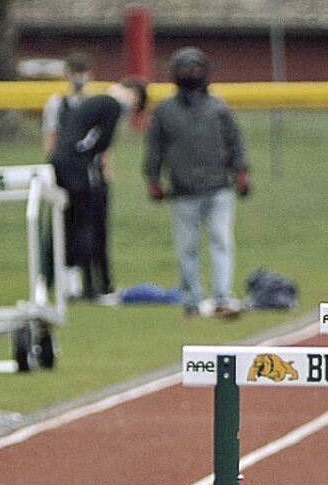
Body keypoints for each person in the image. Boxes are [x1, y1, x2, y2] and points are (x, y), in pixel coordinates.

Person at [143, 47, 251, 319]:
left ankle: (222, 298)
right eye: (185, 70)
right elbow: (154, 148)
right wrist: (153, 179)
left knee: (221, 241)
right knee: (187, 248)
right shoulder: (164, 111)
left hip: (218, 187)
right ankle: (191, 301)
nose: (191, 74)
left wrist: (241, 172)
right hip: (182, 191)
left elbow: (234, 142)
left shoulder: (218, 107)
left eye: (196, 69)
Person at [50, 76, 146, 299]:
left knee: (69, 224)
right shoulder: (111, 105)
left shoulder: (97, 102)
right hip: (77, 167)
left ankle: (71, 283)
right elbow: (100, 142)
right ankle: (89, 285)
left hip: (63, 163)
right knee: (84, 226)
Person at [42, 52, 95, 297]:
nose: (78, 78)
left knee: (82, 227)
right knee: (58, 224)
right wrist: (52, 166)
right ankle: (53, 276)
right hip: (63, 170)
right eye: (74, 72)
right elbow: (51, 137)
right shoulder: (57, 103)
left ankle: (79, 278)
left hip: (85, 172)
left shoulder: (93, 103)